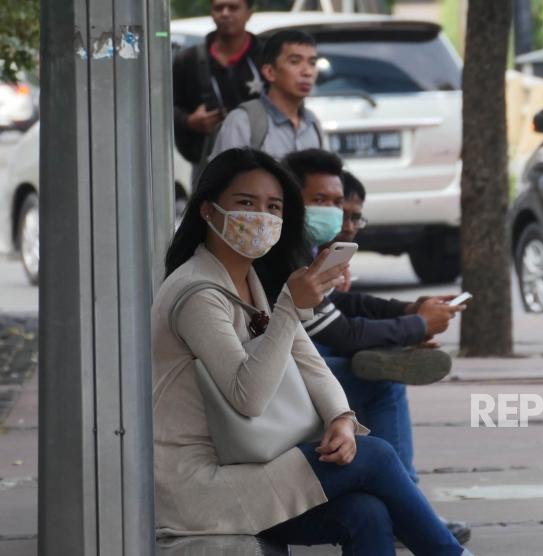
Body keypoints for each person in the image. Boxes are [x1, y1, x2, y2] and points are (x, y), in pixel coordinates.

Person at [152, 148, 470, 555]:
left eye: (273, 207)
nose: (261, 217)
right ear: (208, 212)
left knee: (367, 511)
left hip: (247, 467)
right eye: (246, 203)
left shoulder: (250, 279)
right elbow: (247, 397)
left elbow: (310, 363)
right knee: (375, 456)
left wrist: (340, 418)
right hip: (199, 488)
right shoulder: (195, 292)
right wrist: (289, 307)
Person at [274, 149, 473, 545]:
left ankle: (406, 501)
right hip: (276, 386)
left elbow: (341, 307)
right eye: (321, 202)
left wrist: (408, 312)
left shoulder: (302, 250)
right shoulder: (283, 256)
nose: (336, 217)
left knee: (367, 507)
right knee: (381, 383)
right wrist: (415, 324)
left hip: (295, 367)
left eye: (339, 204)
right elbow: (342, 331)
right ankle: (409, 498)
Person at [173, 0, 264, 177]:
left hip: (261, 160)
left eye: (233, 7)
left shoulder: (265, 57)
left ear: (249, 13)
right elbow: (166, 107)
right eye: (219, 8)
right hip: (207, 164)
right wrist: (189, 121)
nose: (225, 14)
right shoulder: (188, 59)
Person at [210, 29, 322, 160]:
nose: (307, 72)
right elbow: (225, 177)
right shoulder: (243, 122)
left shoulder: (312, 123)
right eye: (295, 61)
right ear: (269, 72)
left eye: (312, 63)